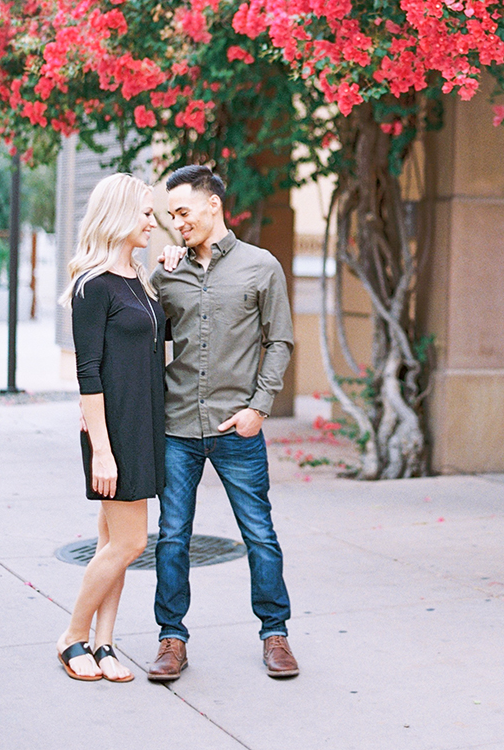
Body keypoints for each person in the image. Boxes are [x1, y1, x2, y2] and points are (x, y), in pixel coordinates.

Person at [147, 164, 298, 682]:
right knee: (171, 537)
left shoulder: (262, 266)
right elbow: (141, 335)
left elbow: (279, 340)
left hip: (238, 429)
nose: (177, 223)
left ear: (213, 204)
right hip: (178, 427)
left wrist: (260, 406)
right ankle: (171, 639)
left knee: (259, 534)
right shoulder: (167, 272)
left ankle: (275, 634)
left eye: (183, 212)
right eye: (171, 216)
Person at [56, 173, 167, 682]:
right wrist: (102, 449)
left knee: (112, 541)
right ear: (120, 215)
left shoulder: (139, 281)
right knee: (131, 543)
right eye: (145, 213)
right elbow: (88, 371)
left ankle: (104, 645)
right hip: (113, 430)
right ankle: (71, 637)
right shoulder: (92, 286)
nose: (153, 221)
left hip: (143, 423)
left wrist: (172, 263)